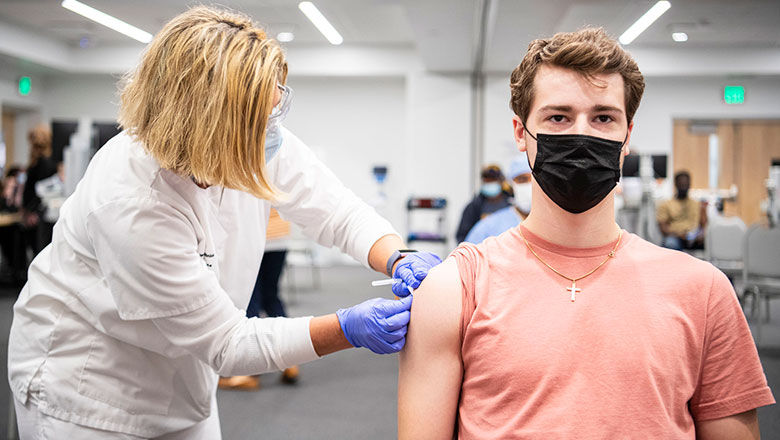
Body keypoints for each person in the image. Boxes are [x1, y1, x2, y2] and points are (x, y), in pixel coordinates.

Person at [8, 7, 441, 439]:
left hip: (185, 379)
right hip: (88, 393)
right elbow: (229, 343)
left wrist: (396, 257)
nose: (275, 129)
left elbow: (335, 210)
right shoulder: (132, 201)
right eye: (262, 117)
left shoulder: (253, 139)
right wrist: (346, 328)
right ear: (212, 123)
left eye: (276, 107)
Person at [399, 27, 774, 439]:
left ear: (627, 135)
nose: (582, 135)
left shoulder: (702, 291)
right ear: (522, 132)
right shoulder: (456, 289)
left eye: (603, 118)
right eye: (558, 117)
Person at [218, 208, 297, 390]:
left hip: (256, 240)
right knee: (272, 296)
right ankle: (291, 360)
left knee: (250, 297)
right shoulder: (276, 178)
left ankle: (248, 371)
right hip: (281, 237)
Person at [464, 155, 532, 244]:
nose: (530, 185)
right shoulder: (488, 226)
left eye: (535, 179)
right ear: (511, 184)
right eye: (522, 179)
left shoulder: (553, 227)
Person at [21, 124, 57, 254]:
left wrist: (32, 211)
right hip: (34, 212)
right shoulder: (39, 161)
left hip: (37, 213)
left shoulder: (44, 163)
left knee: (38, 249)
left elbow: (42, 191)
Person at [455, 165, 512, 243]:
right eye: (487, 181)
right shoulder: (474, 207)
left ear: (501, 182)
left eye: (493, 180)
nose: (490, 184)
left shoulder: (512, 204)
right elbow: (462, 236)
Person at [657, 170, 704, 250]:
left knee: (713, 241)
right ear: (676, 184)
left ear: (689, 184)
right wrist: (680, 235)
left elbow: (704, 225)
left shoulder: (697, 204)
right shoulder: (666, 205)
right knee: (670, 243)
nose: (684, 186)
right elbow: (663, 229)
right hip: (675, 237)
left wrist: (701, 235)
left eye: (686, 183)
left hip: (694, 238)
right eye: (681, 183)